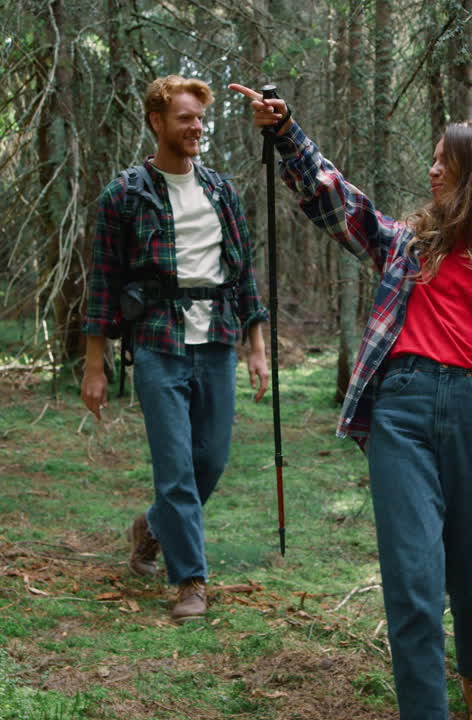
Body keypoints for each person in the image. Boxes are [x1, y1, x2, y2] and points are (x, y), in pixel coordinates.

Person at [230, 83, 472, 720]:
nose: (433, 170)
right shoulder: (410, 243)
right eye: (434, 159)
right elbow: (341, 205)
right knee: (412, 581)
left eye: (447, 162)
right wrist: (286, 135)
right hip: (402, 411)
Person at [82, 76, 270, 622]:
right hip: (157, 342)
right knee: (176, 469)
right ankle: (191, 580)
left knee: (211, 459)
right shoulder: (124, 195)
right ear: (157, 122)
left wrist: (257, 347)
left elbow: (243, 272)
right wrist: (94, 364)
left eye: (200, 119)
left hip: (217, 340)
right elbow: (102, 283)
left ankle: (152, 527)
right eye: (185, 118)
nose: (196, 128)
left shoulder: (221, 191)